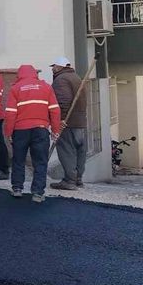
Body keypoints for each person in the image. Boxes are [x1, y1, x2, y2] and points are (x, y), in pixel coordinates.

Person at [3, 65, 61, 203]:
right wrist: (55, 130)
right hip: (40, 130)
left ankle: (17, 189)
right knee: (40, 161)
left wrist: (9, 132)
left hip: (20, 131)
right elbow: (55, 110)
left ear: (20, 75)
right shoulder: (46, 87)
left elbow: (10, 113)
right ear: (35, 74)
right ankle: (38, 193)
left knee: (18, 160)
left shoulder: (15, 88)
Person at [49, 57, 87, 191]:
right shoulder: (75, 77)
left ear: (59, 67)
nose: (52, 69)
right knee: (79, 151)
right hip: (80, 122)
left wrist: (60, 120)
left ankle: (69, 180)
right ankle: (78, 179)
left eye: (53, 66)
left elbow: (63, 102)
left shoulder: (61, 80)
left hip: (69, 122)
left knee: (66, 151)